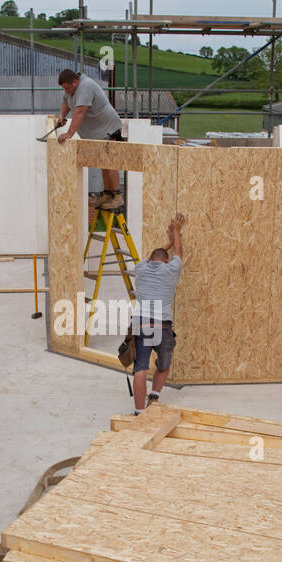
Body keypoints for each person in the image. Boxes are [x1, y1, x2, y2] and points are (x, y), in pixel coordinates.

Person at [131, 213, 186, 413]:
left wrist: (168, 242)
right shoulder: (170, 271)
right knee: (164, 365)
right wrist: (177, 233)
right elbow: (179, 252)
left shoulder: (141, 268)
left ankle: (139, 413)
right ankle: (154, 396)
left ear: (151, 260)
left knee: (140, 369)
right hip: (162, 326)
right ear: (166, 261)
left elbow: (156, 255)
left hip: (142, 324)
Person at [55, 69, 125, 211]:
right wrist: (61, 115)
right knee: (102, 161)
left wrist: (69, 133)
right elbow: (66, 102)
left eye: (67, 88)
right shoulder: (71, 90)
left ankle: (117, 196)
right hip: (96, 131)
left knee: (109, 160)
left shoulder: (85, 87)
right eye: (64, 89)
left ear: (75, 82)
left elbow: (80, 111)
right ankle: (107, 193)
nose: (66, 91)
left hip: (107, 126)